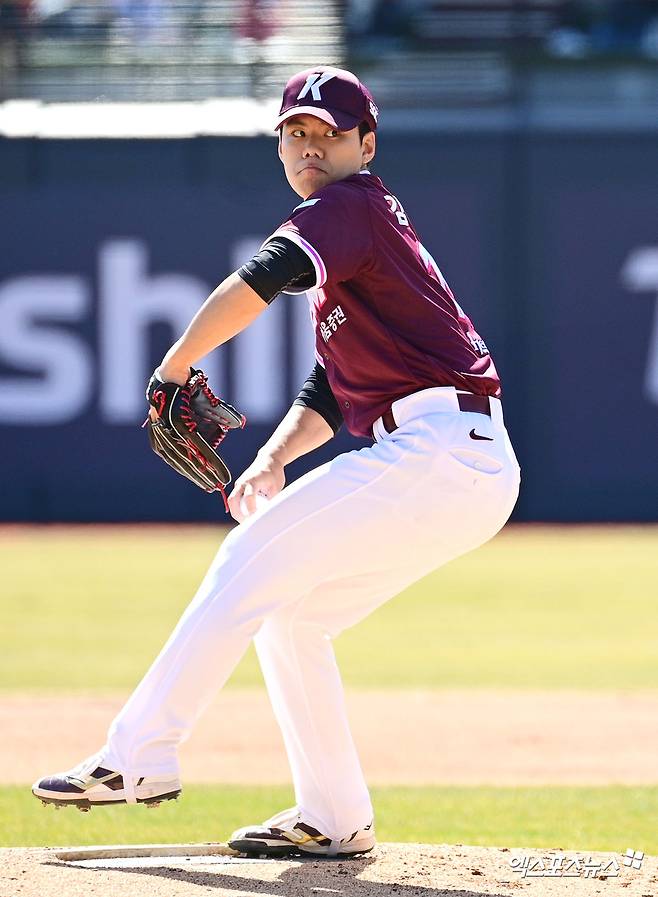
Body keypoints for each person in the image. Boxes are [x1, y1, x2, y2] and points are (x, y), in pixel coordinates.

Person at [32, 66, 520, 858]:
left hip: (437, 450)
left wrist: (176, 363)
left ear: (365, 143)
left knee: (246, 560)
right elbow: (332, 386)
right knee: (291, 615)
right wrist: (270, 459)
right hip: (456, 459)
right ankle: (334, 815)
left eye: (326, 132)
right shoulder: (364, 231)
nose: (308, 146)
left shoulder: (348, 206)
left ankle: (138, 755)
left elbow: (260, 278)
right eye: (294, 132)